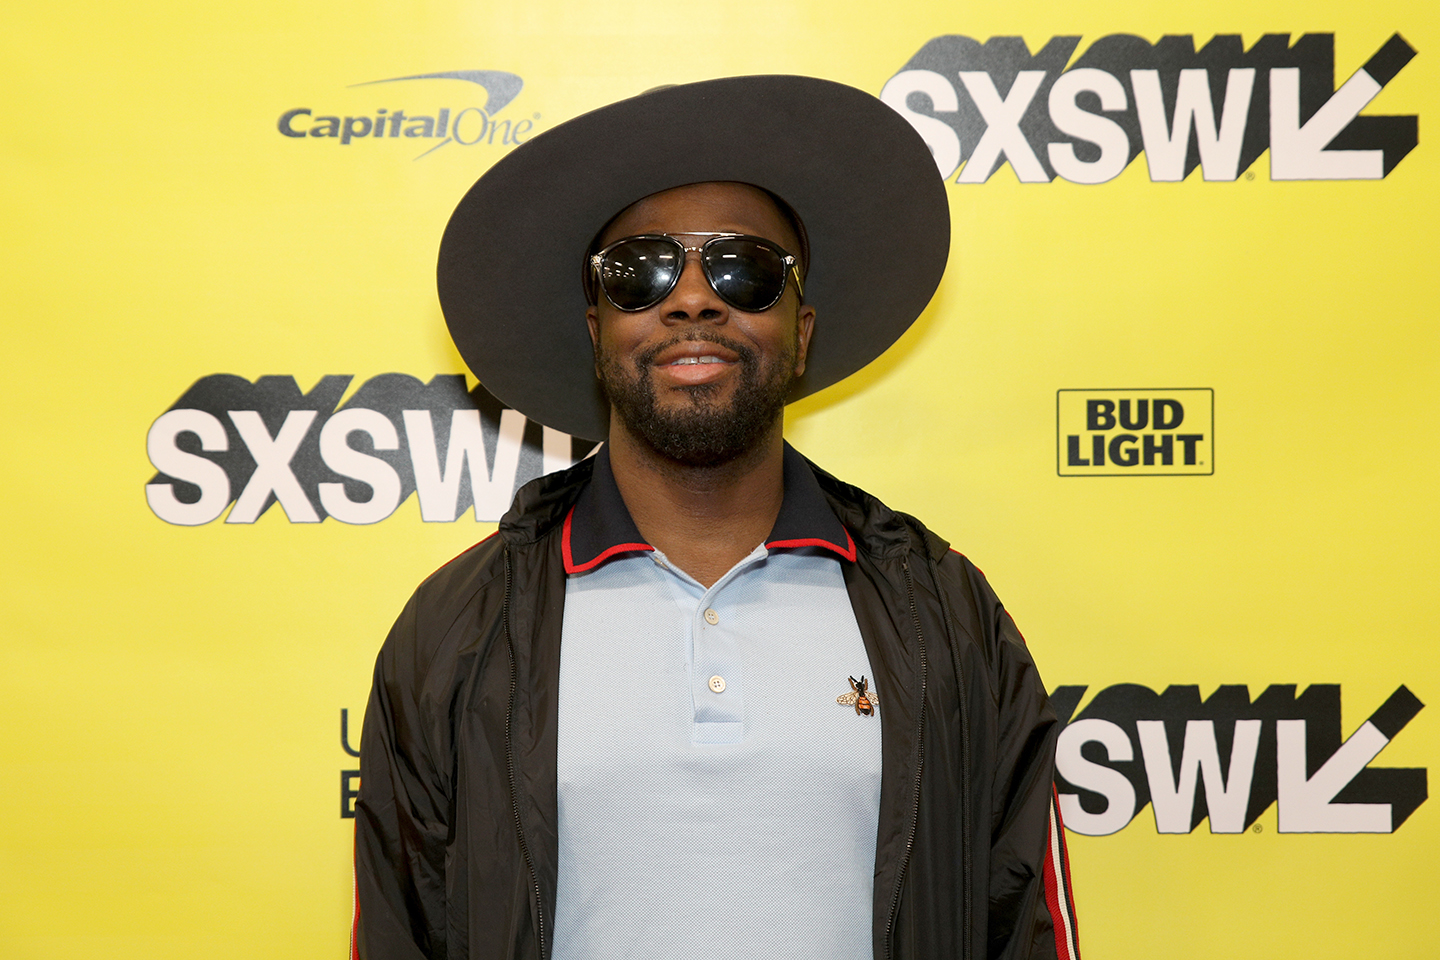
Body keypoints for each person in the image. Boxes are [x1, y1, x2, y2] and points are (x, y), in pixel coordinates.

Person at [354, 75, 1079, 960]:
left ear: (801, 331)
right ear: (595, 328)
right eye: (640, 272)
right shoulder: (460, 629)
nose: (693, 299)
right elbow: (400, 930)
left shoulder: (943, 614)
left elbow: (1024, 923)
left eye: (745, 269)